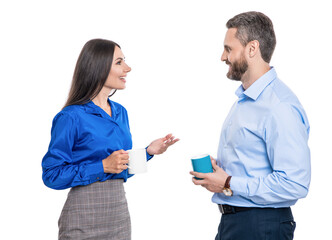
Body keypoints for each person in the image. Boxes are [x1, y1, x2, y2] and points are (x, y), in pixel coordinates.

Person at [42, 38, 179, 240]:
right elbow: (51, 175)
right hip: (83, 217)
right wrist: (102, 166)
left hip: (118, 214)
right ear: (98, 66)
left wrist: (148, 152)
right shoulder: (71, 117)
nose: (128, 68)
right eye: (119, 62)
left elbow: (120, 169)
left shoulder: (120, 113)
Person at [190, 11, 311, 240]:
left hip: (261, 225)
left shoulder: (279, 106)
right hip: (235, 222)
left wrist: (228, 181)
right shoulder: (246, 101)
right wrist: (222, 179)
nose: (223, 57)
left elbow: (294, 184)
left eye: (229, 49)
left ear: (252, 48)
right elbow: (251, 167)